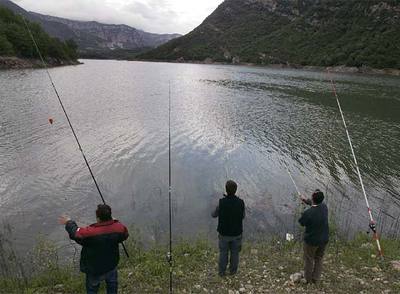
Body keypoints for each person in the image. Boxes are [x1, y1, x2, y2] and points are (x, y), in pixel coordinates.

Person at [59, 204, 129, 294]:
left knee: (92, 288)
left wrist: (68, 222)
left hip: (94, 269)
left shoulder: (90, 233)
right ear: (110, 216)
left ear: (98, 218)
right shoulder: (119, 228)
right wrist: (114, 222)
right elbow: (125, 235)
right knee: (112, 285)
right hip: (111, 265)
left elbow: (75, 233)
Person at [212, 180, 245, 276]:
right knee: (235, 254)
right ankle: (233, 272)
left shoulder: (222, 202)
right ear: (236, 190)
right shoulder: (241, 202)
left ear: (226, 190)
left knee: (223, 253)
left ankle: (221, 273)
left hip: (224, 234)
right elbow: (243, 216)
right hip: (237, 234)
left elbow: (214, 214)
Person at [299, 189, 329, 284]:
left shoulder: (308, 213)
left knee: (309, 259)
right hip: (324, 240)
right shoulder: (324, 207)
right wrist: (305, 200)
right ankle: (316, 279)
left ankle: (308, 280)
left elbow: (302, 222)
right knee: (319, 258)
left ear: (313, 198)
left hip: (311, 241)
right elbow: (314, 204)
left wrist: (303, 211)